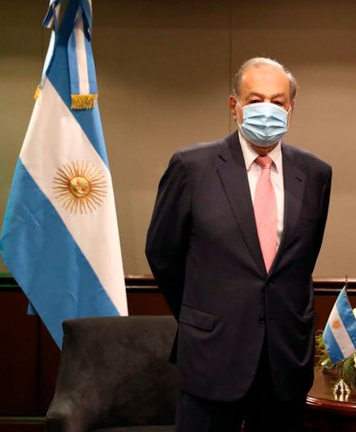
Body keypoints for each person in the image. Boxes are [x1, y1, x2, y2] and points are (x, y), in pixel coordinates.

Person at [146, 57, 331, 432]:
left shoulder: (315, 173)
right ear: (235, 106)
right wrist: (204, 312)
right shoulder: (191, 166)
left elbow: (302, 259)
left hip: (285, 360)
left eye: (278, 102)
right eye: (256, 99)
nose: (267, 109)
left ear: (291, 108)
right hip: (212, 355)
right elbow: (162, 255)